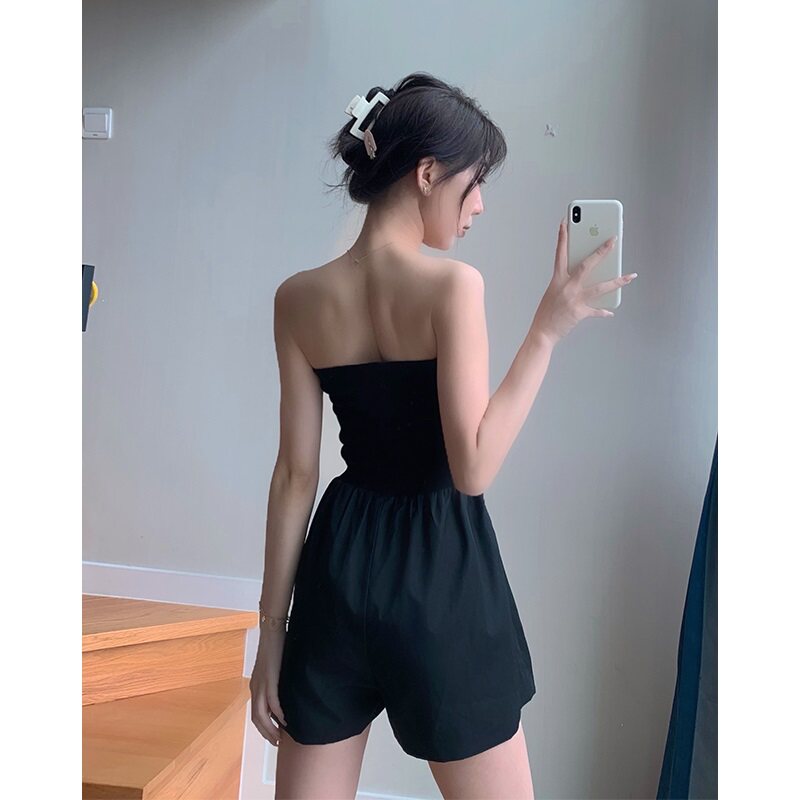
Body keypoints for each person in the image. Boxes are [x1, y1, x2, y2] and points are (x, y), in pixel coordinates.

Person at [249, 71, 635, 799]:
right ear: (427, 174)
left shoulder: (296, 299)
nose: (479, 204)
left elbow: (295, 475)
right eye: (474, 181)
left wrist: (273, 633)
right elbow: (473, 468)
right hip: (439, 567)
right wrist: (547, 331)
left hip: (338, 565)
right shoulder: (454, 288)